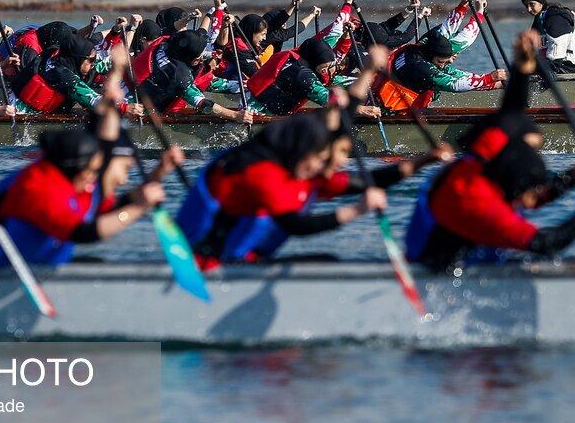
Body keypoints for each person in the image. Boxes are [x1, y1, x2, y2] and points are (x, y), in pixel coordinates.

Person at [404, 31, 575, 270]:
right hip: (440, 271)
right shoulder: (482, 205)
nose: (533, 199)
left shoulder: (484, 156)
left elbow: (512, 113)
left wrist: (522, 66)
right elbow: (545, 243)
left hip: (471, 239)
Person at [177, 84, 451, 269]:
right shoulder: (266, 177)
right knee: (326, 262)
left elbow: (371, 180)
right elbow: (296, 225)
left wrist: (426, 159)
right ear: (304, 152)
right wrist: (357, 210)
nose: (335, 164)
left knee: (328, 261)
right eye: (326, 156)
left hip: (248, 262)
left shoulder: (309, 177)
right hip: (212, 266)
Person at [0, 51, 180, 267]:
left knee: (99, 263)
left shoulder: (82, 179)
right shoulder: (41, 187)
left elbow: (109, 198)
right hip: (2, 268)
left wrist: (160, 172)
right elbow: (83, 232)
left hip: (42, 261)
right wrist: (139, 208)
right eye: (126, 169)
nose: (124, 179)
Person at [130, 28, 252, 124]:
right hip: (137, 111)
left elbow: (199, 63)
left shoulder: (168, 43)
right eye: (202, 54)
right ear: (194, 60)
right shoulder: (178, 78)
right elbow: (204, 105)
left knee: (200, 76)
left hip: (138, 84)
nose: (204, 54)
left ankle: (246, 85)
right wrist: (235, 116)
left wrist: (247, 85)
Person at [12, 32, 142, 118]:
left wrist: (128, 61)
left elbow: (101, 64)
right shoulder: (63, 76)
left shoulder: (61, 55)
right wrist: (125, 108)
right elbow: (94, 100)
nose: (93, 63)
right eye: (90, 60)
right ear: (77, 59)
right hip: (20, 112)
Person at [369, 32, 506, 112]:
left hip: (393, 99)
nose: (447, 63)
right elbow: (455, 85)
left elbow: (462, 76)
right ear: (432, 54)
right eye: (442, 61)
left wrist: (464, 7)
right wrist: (489, 78)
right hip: (390, 110)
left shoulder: (419, 49)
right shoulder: (422, 69)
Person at [245, 37, 379, 118]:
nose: (327, 71)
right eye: (325, 68)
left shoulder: (304, 57)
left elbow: (331, 80)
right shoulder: (301, 75)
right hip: (260, 113)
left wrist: (366, 81)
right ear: (315, 62)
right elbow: (328, 98)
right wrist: (361, 109)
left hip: (263, 105)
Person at [520, 0, 575, 73]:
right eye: (526, 5)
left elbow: (556, 56)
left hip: (566, 68)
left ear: (541, 2)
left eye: (532, 4)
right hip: (552, 68)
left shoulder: (556, 16)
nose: (528, 9)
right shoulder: (540, 18)